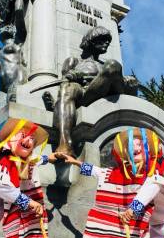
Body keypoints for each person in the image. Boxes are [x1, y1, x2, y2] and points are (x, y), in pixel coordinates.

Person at [56, 129, 163, 238]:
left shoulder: (156, 172)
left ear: (147, 150)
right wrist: (75, 162)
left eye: (140, 144)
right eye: (132, 146)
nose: (136, 148)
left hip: (161, 231)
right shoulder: (115, 172)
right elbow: (98, 171)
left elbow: (151, 190)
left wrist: (132, 211)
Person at [49, 26, 137, 155]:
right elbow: (65, 81)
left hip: (109, 92)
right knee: (68, 89)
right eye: (103, 39)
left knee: (113, 66)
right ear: (92, 40)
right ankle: (65, 142)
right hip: (85, 93)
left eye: (108, 41)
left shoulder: (106, 65)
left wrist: (128, 81)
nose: (107, 43)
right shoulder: (74, 61)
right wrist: (72, 75)